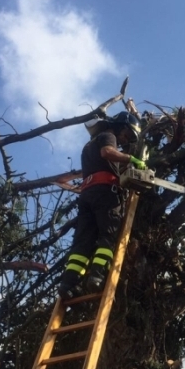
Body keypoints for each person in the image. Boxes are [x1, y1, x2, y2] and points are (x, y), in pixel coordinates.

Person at [57, 111, 147, 300]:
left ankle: (68, 283)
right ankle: (97, 277)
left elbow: (104, 162)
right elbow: (108, 152)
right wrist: (132, 159)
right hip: (105, 193)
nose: (125, 140)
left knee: (83, 241)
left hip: (87, 195)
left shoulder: (89, 145)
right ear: (121, 126)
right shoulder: (108, 136)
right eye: (128, 135)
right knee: (108, 236)